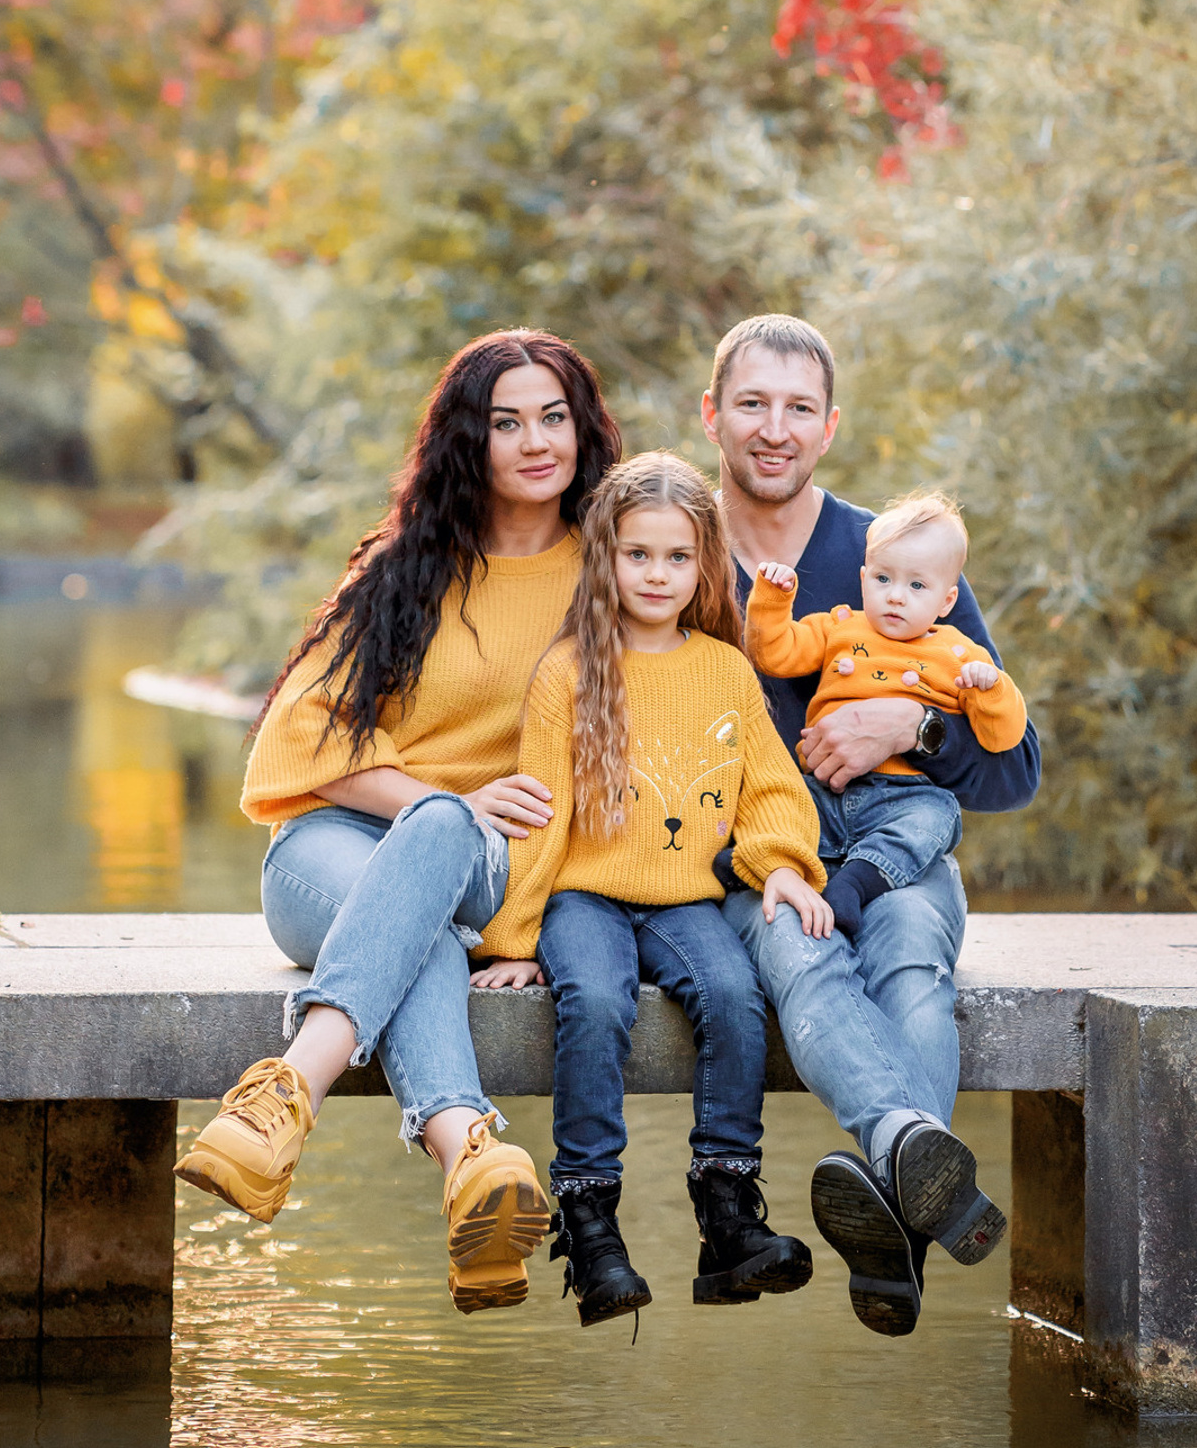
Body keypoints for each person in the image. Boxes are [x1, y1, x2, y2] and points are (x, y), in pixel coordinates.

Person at [175, 328, 620, 1316]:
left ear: (585, 431)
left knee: (430, 879)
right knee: (424, 872)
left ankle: (287, 1098)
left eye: (554, 417)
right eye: (506, 422)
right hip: (329, 866)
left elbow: (641, 764)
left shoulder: (616, 573)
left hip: (505, 867)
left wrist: (544, 925)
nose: (535, 440)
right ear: (471, 439)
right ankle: (471, 1156)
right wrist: (443, 807)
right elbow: (295, 750)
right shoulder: (406, 567)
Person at [703, 313, 1041, 1338]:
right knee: (800, 947)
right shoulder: (669, 550)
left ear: (830, 426)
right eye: (752, 403)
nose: (775, 428)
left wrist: (918, 724)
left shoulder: (896, 557)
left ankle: (896, 1198)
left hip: (898, 842)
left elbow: (1012, 769)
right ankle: (910, 1158)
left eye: (798, 408)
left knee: (906, 947)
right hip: (762, 857)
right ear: (711, 415)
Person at [472, 452, 823, 1328]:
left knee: (737, 994)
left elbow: (771, 787)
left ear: (704, 564)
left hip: (684, 899)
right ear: (606, 560)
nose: (658, 575)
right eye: (638, 555)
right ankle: (590, 1226)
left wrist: (780, 862)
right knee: (593, 996)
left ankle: (729, 1216)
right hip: (583, 896)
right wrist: (514, 942)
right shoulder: (568, 674)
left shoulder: (724, 671)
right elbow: (540, 818)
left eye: (677, 558)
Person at [746, 489, 1029, 939]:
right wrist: (774, 601)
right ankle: (752, 859)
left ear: (946, 600)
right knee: (785, 805)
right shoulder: (838, 626)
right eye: (883, 579)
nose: (896, 597)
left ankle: (856, 884)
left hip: (901, 796)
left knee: (936, 815)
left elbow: (1005, 739)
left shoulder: (958, 653)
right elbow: (774, 653)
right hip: (825, 785)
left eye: (916, 586)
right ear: (863, 578)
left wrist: (992, 689)